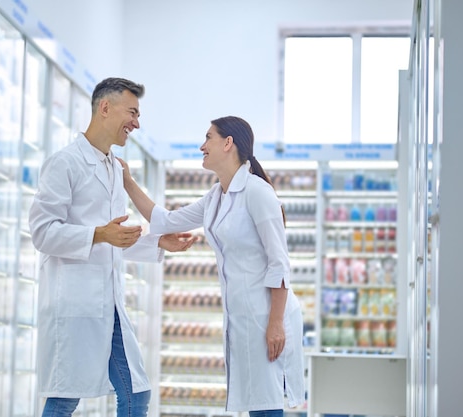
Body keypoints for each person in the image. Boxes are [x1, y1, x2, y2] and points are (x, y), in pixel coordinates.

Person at [29, 77, 196, 417]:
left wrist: (157, 241)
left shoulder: (113, 169)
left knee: (136, 393)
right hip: (74, 303)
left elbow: (114, 238)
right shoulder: (65, 163)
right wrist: (98, 235)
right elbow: (42, 233)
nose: (136, 123)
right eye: (132, 112)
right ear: (105, 108)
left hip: (109, 305)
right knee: (64, 398)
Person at [120, 116, 305, 417]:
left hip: (266, 314)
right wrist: (128, 182)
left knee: (265, 405)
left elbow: (279, 263)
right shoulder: (216, 197)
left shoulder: (257, 192)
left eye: (208, 138)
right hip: (242, 317)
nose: (202, 146)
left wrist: (275, 324)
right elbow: (164, 220)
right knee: (256, 403)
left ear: (228, 143)